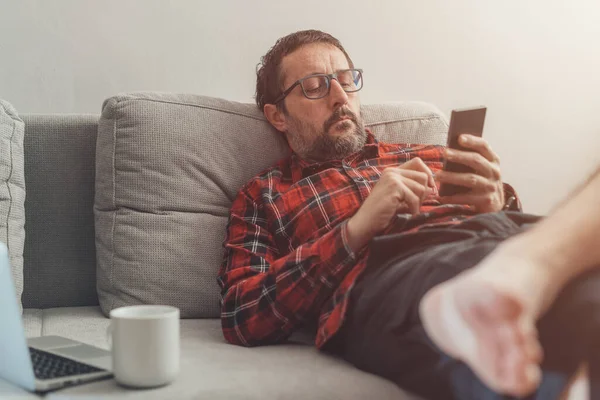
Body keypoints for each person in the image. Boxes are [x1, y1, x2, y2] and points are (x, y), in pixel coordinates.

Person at [217, 29, 597, 399]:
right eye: (315, 87)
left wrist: (498, 202)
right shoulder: (264, 194)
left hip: (506, 239)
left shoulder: (429, 152)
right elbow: (241, 316)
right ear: (277, 115)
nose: (339, 97)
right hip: (394, 270)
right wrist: (354, 231)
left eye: (347, 81)